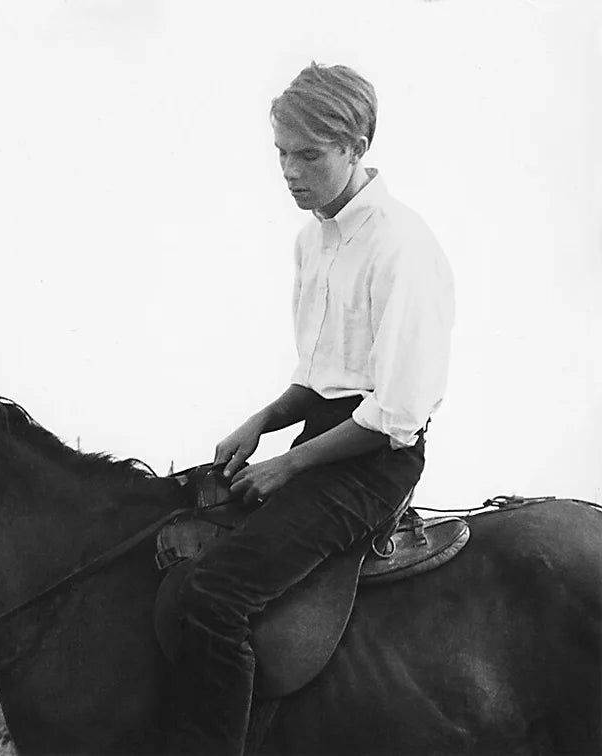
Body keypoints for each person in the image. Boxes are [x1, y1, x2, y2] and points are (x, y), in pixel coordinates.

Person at [164, 62, 455, 754]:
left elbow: (394, 415)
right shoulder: (312, 240)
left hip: (374, 465)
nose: (290, 173)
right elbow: (323, 377)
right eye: (282, 154)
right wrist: (262, 421)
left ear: (357, 148)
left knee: (215, 595)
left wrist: (288, 465)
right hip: (324, 443)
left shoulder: (402, 245)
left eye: (309, 156)